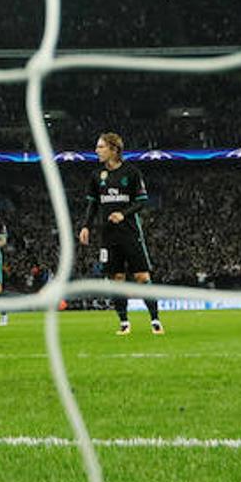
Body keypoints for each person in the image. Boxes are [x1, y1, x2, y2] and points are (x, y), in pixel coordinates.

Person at [76, 132, 164, 336]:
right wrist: (86, 226)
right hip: (108, 235)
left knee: (142, 276)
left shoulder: (132, 172)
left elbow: (141, 201)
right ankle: (124, 323)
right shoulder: (96, 176)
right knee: (116, 278)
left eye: (101, 147)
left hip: (130, 233)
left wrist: (123, 214)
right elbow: (93, 204)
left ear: (114, 149)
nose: (97, 151)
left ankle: (155, 320)